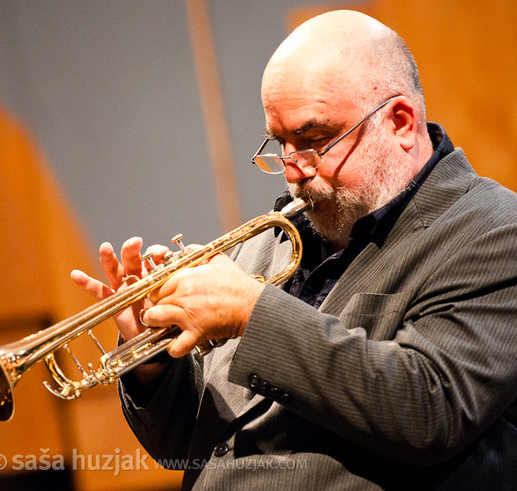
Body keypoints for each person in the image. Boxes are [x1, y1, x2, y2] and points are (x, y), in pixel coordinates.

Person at [71, 9, 517, 489]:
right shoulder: (272, 239)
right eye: (279, 143)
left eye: (314, 139)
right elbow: (183, 444)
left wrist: (252, 312)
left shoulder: (494, 232)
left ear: (401, 123)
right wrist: (153, 358)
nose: (292, 169)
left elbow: (429, 408)